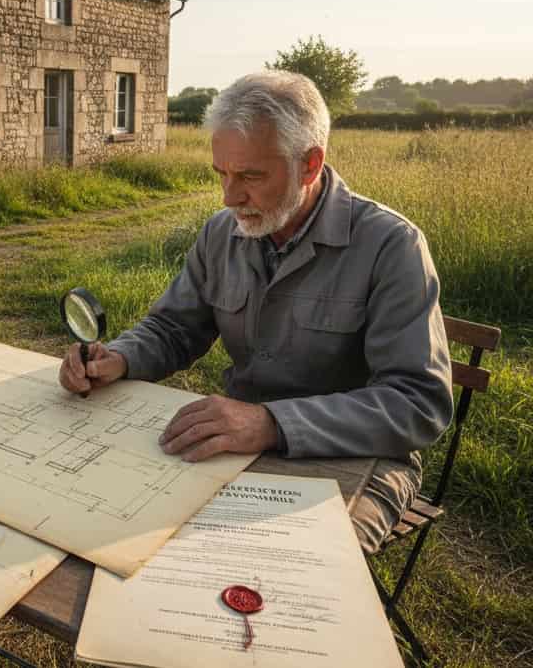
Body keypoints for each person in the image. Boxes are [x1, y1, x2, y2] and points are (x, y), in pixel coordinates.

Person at [58, 72, 454, 552]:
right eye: (221, 174)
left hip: (357, 458)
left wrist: (271, 423)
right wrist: (119, 358)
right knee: (112, 528)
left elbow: (417, 403)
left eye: (250, 176)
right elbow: (174, 327)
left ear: (309, 164)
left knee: (298, 571)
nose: (229, 197)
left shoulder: (391, 245)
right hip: (236, 444)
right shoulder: (221, 233)